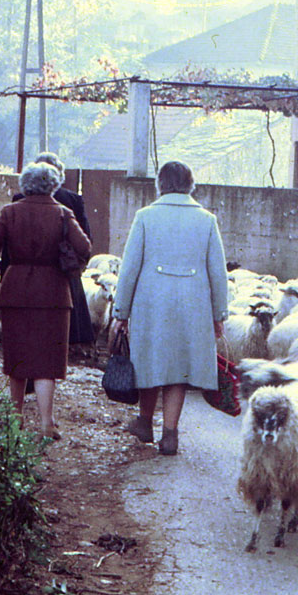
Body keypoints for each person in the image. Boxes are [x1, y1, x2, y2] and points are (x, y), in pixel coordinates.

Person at [109, 161, 228, 455]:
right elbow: (218, 273)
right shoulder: (207, 220)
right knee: (179, 369)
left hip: (151, 304)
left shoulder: (145, 217)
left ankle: (145, 422)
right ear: (191, 184)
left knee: (150, 360)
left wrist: (120, 312)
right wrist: (218, 315)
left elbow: (129, 268)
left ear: (160, 184)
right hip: (194, 305)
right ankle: (170, 434)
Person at [0, 162, 91, 440]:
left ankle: (15, 420)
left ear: (24, 185)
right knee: (48, 361)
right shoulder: (64, 214)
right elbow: (85, 248)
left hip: (15, 290)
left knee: (17, 356)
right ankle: (46, 423)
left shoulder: (10, 212)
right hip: (54, 293)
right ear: (53, 185)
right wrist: (72, 267)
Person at [10, 151, 95, 347]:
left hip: (25, 270)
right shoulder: (72, 200)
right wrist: (77, 263)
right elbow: (85, 239)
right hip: (63, 267)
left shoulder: (18, 199)